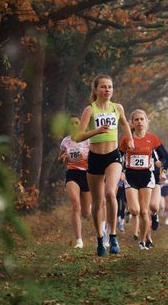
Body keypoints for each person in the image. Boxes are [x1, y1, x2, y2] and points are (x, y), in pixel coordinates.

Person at [74, 74, 134, 256]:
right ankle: (100, 240)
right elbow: (77, 136)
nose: (107, 89)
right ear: (95, 90)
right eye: (103, 87)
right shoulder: (89, 110)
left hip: (113, 156)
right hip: (94, 158)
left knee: (110, 193)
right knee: (98, 202)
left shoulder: (117, 108)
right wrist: (96, 131)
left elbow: (125, 123)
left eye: (110, 87)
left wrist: (130, 138)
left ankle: (113, 236)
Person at [119, 109, 168, 250]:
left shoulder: (153, 139)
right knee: (134, 210)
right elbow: (118, 155)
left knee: (144, 211)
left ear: (146, 122)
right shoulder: (126, 139)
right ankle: (144, 237)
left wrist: (162, 167)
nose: (139, 122)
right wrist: (120, 171)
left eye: (142, 119)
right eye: (136, 120)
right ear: (132, 123)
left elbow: (165, 157)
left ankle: (143, 242)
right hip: (130, 176)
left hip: (147, 177)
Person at [59, 116, 92, 249]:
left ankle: (89, 209)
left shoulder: (88, 139)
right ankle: (79, 240)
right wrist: (62, 158)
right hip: (72, 174)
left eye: (77, 123)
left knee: (85, 213)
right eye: (71, 123)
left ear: (81, 124)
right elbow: (59, 158)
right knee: (75, 204)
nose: (74, 125)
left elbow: (97, 157)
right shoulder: (66, 141)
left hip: (87, 175)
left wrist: (87, 156)